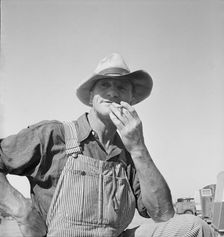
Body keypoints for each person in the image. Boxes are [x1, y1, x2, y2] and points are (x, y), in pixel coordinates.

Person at [0, 53, 214, 237]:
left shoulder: (129, 153)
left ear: (132, 99)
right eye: (104, 84)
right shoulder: (54, 134)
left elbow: (163, 214)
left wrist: (138, 148)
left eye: (121, 87)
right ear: (91, 96)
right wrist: (21, 210)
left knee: (194, 227)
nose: (113, 92)